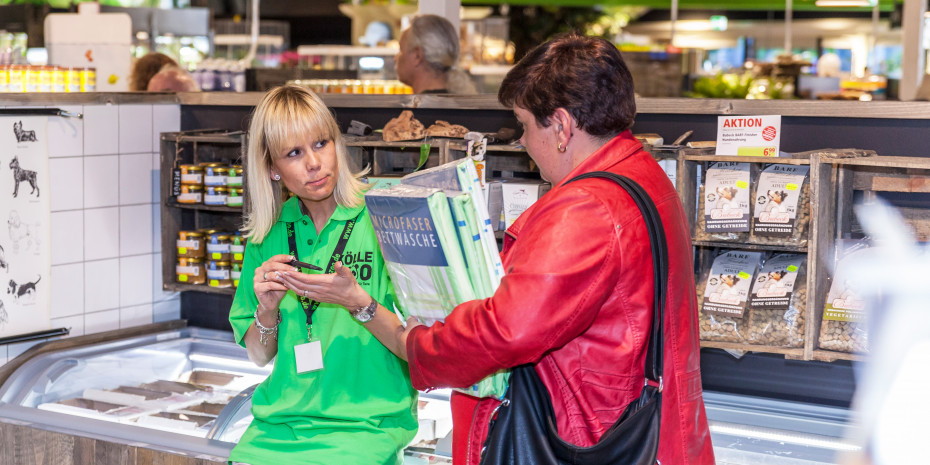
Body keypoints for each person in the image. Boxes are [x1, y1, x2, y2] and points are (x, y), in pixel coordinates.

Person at [283, 34, 716, 465]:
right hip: (634, 420)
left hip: (580, 432)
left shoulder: (586, 208)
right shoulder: (641, 172)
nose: (524, 142)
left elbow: (506, 329)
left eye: (526, 126)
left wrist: (416, 343)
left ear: (562, 126)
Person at [227, 85, 417, 465]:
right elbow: (259, 355)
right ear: (272, 169)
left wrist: (357, 302)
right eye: (294, 153)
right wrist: (266, 312)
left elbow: (418, 346)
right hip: (277, 427)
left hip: (365, 428)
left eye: (321, 143)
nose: (314, 162)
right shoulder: (268, 234)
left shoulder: (387, 213)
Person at [394, 14, 477, 94]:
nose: (395, 58)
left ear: (417, 56)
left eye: (401, 50)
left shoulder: (422, 107)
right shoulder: (456, 103)